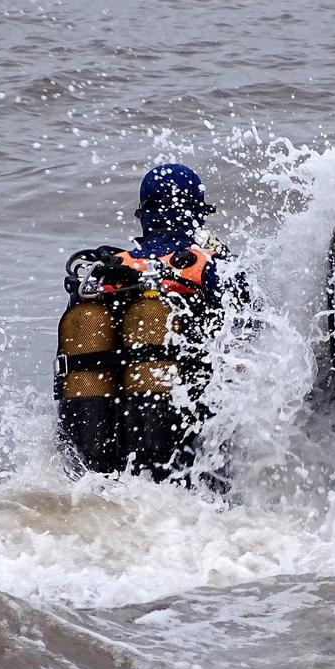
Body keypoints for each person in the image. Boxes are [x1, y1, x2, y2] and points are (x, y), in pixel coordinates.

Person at [55, 163, 253, 484]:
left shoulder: (106, 271)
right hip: (182, 437)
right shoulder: (212, 266)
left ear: (144, 215)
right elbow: (251, 330)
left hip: (100, 433)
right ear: (198, 213)